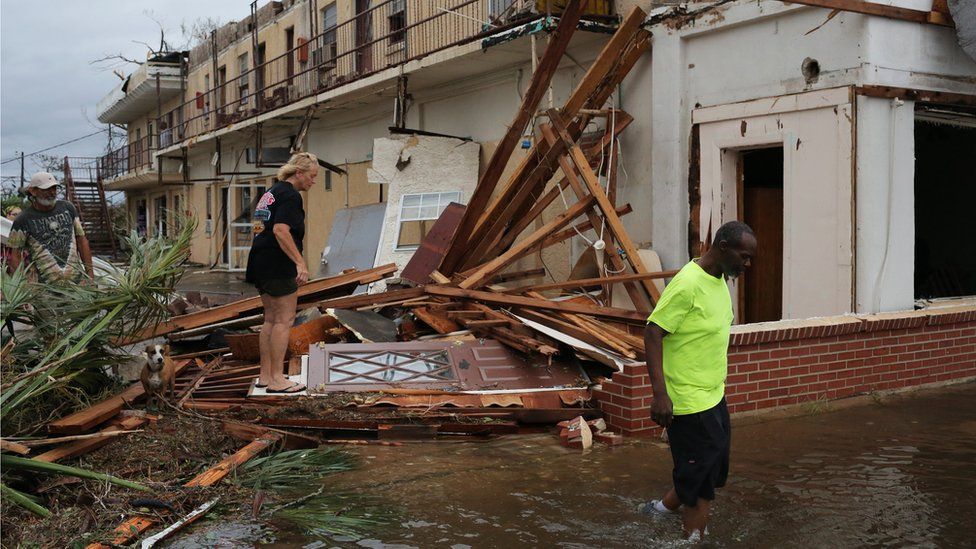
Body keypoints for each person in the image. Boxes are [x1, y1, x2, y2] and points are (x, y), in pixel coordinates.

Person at [639, 220, 757, 540]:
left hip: (713, 396)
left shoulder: (718, 279)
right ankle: (692, 540)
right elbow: (653, 331)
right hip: (688, 402)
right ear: (722, 247)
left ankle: (660, 509)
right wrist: (660, 394)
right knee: (700, 484)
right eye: (743, 257)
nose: (747, 265)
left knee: (713, 469)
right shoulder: (687, 284)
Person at [245, 152, 320, 393]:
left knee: (270, 319)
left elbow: (257, 228)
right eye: (312, 175)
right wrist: (300, 263)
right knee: (284, 320)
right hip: (277, 264)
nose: (314, 181)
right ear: (299, 173)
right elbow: (280, 230)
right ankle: (278, 379)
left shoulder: (271, 193)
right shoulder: (290, 195)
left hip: (260, 262)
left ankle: (266, 376)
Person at [7, 172, 94, 282]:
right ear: (33, 191)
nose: (52, 192)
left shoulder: (68, 208)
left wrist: (90, 275)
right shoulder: (23, 219)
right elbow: (15, 255)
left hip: (77, 285)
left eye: (54, 188)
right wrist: (21, 284)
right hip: (43, 290)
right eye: (46, 189)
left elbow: (81, 241)